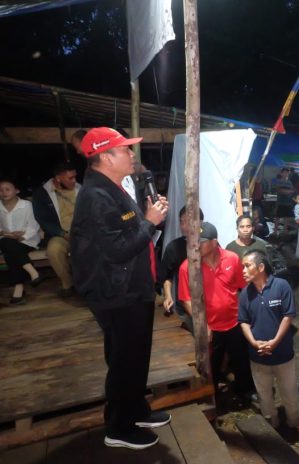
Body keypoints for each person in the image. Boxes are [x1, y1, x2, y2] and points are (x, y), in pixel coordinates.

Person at [71, 127, 170, 449]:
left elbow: (127, 230)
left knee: (136, 355)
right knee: (124, 359)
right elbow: (117, 250)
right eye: (125, 149)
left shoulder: (112, 188)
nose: (131, 154)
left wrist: (149, 216)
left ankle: (135, 410)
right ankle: (119, 427)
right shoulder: (95, 197)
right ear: (105, 157)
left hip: (132, 287)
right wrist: (150, 221)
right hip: (116, 293)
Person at [238, 250, 299, 437]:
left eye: (247, 266)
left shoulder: (281, 286)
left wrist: (275, 341)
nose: (243, 270)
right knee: (264, 393)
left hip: (282, 353)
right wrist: (254, 343)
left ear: (261, 267)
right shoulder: (245, 293)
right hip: (258, 355)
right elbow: (243, 321)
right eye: (242, 266)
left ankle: (296, 420)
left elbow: (288, 315)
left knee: (290, 391)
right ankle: (272, 421)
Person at [178, 222, 255, 399]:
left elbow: (244, 287)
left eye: (201, 241)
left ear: (214, 242)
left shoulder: (232, 259)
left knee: (241, 359)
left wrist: (249, 313)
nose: (196, 245)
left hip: (235, 321)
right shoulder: (188, 267)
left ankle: (246, 392)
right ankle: (212, 396)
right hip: (210, 326)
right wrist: (202, 324)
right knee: (211, 363)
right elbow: (186, 299)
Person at [32, 162, 80, 296]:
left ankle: (89, 284)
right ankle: (68, 284)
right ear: (58, 178)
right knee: (54, 250)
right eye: (70, 178)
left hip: (82, 233)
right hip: (60, 235)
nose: (74, 180)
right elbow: (43, 219)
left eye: (75, 177)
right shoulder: (42, 194)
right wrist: (62, 233)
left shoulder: (80, 189)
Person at [0, 178, 45, 304]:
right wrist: (5, 233)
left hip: (27, 240)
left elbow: (34, 225)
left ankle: (19, 287)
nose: (4, 192)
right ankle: (33, 273)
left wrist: (23, 236)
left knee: (9, 249)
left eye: (7, 189)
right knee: (7, 244)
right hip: (7, 239)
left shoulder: (26, 205)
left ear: (17, 190)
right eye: (1, 190)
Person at [159, 206, 203, 330]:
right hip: (185, 305)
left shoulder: (208, 244)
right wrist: (168, 296)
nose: (183, 226)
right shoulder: (173, 247)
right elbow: (166, 277)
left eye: (187, 222)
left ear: (200, 222)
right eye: (181, 222)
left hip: (209, 303)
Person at [272, 167, 296, 233]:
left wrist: (288, 191)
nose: (286, 174)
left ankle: (285, 232)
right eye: (285, 172)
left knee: (286, 218)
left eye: (287, 173)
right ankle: (275, 232)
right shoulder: (279, 181)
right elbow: (280, 191)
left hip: (288, 203)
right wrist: (289, 191)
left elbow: (293, 191)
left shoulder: (290, 182)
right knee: (277, 218)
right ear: (281, 173)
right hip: (280, 203)